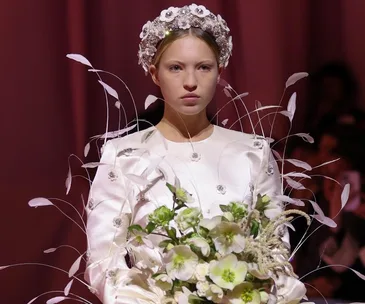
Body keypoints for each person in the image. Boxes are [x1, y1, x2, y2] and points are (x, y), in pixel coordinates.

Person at [84, 4, 287, 303]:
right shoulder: (124, 154)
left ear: (219, 72)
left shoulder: (253, 152)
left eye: (204, 67)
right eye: (176, 67)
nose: (190, 81)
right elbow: (104, 262)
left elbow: (276, 253)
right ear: (155, 74)